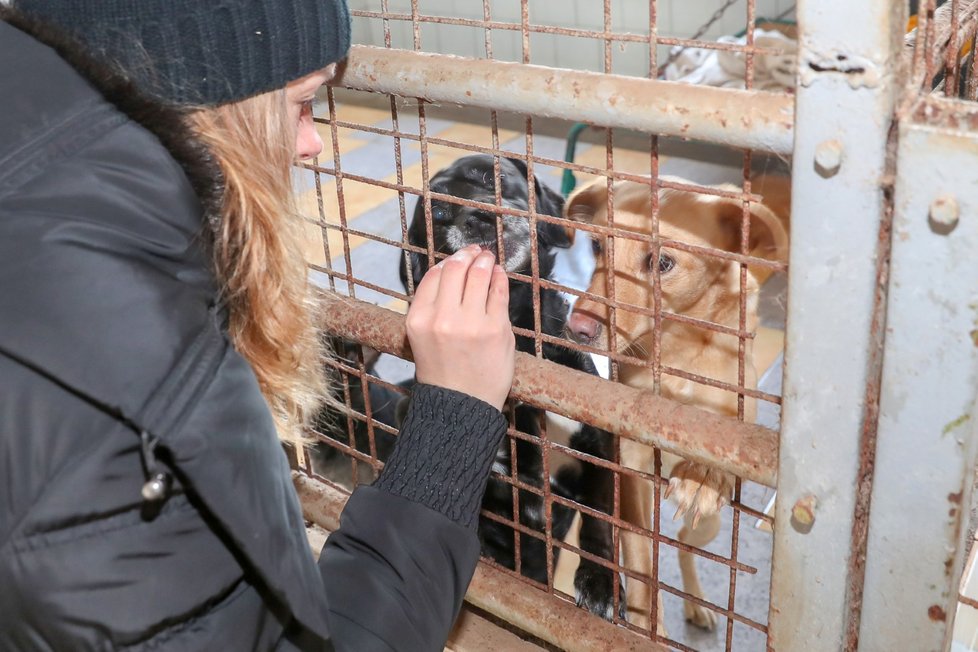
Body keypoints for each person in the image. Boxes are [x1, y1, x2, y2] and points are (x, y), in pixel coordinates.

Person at [0, 2, 516, 650]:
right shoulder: (128, 429)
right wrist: (454, 420)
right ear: (203, 93)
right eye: (302, 103)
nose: (314, 142)